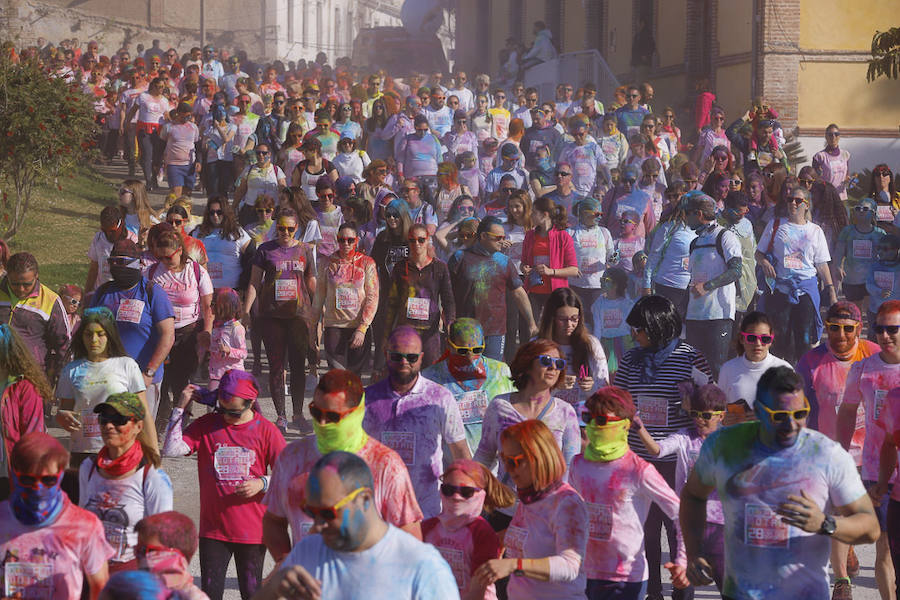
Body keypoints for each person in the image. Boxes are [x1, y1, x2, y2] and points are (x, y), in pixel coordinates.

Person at [681, 366, 880, 599]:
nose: (791, 424)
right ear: (758, 411)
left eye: (800, 414)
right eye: (780, 416)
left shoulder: (827, 454)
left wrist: (825, 523)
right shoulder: (724, 446)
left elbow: (870, 527)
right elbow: (693, 495)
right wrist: (694, 552)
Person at [262, 369, 423, 561]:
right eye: (315, 412)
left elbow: (410, 537)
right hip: (309, 588)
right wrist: (286, 562)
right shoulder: (292, 458)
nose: (321, 423)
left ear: (356, 414)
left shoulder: (385, 465)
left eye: (332, 417)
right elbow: (273, 521)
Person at [255, 451, 459, 600]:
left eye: (327, 513)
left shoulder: (422, 567)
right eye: (310, 512)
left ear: (365, 499)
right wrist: (273, 589)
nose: (316, 526)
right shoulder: (308, 550)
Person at [617, 294, 712, 600]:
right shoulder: (630, 359)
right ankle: (653, 592)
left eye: (640, 328)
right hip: (638, 461)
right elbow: (618, 400)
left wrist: (692, 403)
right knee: (645, 530)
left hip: (675, 460)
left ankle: (682, 593)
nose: (635, 334)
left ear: (658, 326)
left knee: (679, 531)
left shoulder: (690, 357)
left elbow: (710, 403)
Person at [162, 370, 286, 600]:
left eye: (235, 411)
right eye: (222, 408)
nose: (227, 416)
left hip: (252, 532)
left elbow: (288, 475)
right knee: (210, 594)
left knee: (252, 593)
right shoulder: (207, 425)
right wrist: (180, 406)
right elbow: (171, 449)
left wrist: (262, 483)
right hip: (214, 531)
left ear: (251, 403)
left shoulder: (266, 430)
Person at [572, 386, 687, 599]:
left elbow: (681, 513)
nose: (592, 426)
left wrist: (682, 560)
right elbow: (566, 512)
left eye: (602, 421)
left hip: (625, 579)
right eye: (588, 418)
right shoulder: (577, 465)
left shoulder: (638, 469)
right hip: (582, 573)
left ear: (625, 426)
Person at [363, 326, 471, 518]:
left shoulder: (440, 398)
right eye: (397, 356)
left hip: (427, 512)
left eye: (411, 357)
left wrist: (469, 501)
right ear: (387, 356)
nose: (404, 362)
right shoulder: (367, 399)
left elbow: (460, 452)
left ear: (421, 358)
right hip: (378, 514)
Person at [473, 419, 587, 599]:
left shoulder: (566, 502)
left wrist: (514, 566)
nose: (509, 470)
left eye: (515, 461)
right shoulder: (529, 498)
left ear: (538, 457)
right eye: (504, 460)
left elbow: (570, 566)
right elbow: (529, 536)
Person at [835, 300, 900, 599]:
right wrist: (841, 453)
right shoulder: (863, 368)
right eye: (880, 329)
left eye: (893, 329)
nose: (885, 336)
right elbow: (848, 412)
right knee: (885, 548)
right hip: (878, 471)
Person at [0, 432, 113, 600]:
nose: (38, 489)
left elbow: (100, 586)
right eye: (28, 480)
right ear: (14, 474)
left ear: (60, 474)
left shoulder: (85, 526)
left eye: (48, 480)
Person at [78, 392, 172, 572]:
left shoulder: (152, 477)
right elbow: (82, 522)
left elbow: (162, 540)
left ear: (138, 426)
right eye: (104, 419)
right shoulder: (88, 468)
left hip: (130, 575)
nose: (109, 426)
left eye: (119, 419)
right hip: (91, 572)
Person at [243, 207, 316, 433]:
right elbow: (254, 282)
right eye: (281, 228)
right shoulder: (265, 250)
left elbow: (312, 282)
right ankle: (281, 416)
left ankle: (297, 414)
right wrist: (246, 311)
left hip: (298, 315)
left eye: (290, 229)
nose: (285, 233)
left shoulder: (304, 250)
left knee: (297, 366)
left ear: (297, 229)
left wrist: (317, 314)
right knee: (276, 367)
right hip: (271, 315)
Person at [90, 240, 174, 421]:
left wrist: (149, 372)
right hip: (108, 378)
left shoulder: (153, 292)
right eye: (113, 262)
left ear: (136, 264)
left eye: (122, 263)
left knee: (140, 434)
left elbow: (168, 335)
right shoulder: (103, 292)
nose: (116, 267)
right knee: (110, 431)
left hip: (142, 380)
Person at [756, 186, 837, 364]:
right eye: (790, 199)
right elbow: (759, 253)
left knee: (804, 338)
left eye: (798, 200)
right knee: (779, 337)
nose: (793, 203)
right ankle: (778, 376)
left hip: (806, 290)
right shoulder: (776, 224)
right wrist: (765, 263)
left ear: (806, 205)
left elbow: (822, 264)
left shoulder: (815, 231)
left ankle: (802, 378)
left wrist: (830, 288)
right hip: (780, 289)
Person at [449, 216, 537, 361]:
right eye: (498, 237)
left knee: (492, 373)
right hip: (465, 329)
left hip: (495, 330)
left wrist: (532, 323)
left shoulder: (503, 261)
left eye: (503, 237)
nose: (502, 241)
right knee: (465, 371)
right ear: (483, 236)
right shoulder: (460, 257)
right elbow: (447, 292)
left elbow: (519, 293)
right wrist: (445, 318)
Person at [423, 459, 514, 600]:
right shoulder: (427, 527)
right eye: (449, 490)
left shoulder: (482, 533)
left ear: (481, 494)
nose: (456, 497)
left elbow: (477, 590)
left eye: (466, 492)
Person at [422, 318, 515, 455]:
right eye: (462, 351)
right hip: (450, 467)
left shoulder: (501, 373)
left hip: (494, 468)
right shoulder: (431, 377)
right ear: (449, 344)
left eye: (477, 350)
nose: (471, 358)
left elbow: (516, 417)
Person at [680, 192, 743, 378]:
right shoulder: (694, 242)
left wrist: (707, 286)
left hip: (718, 315)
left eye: (688, 214)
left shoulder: (725, 236)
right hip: (694, 314)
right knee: (693, 370)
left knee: (716, 368)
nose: (685, 219)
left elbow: (736, 271)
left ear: (698, 214)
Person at [383, 224, 455, 367]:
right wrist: (386, 335)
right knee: (406, 372)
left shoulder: (440, 267)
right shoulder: (399, 268)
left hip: (430, 332)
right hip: (405, 331)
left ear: (428, 240)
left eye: (421, 240)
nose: (417, 244)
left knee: (430, 373)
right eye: (412, 240)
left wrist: (450, 324)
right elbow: (391, 303)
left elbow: (448, 300)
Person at [313, 223, 379, 373]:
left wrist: (362, 328)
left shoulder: (367, 263)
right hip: (334, 327)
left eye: (350, 240)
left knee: (355, 381)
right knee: (337, 378)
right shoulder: (327, 263)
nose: (346, 244)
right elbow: (318, 298)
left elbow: (372, 297)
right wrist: (312, 330)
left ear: (356, 240)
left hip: (359, 328)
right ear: (337, 240)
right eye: (342, 240)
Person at [0, 252, 70, 377]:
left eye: (27, 284)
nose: (21, 289)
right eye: (15, 284)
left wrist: (61, 378)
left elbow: (63, 344)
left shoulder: (50, 300)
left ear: (36, 276)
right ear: (7, 276)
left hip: (33, 377)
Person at [716, 311, 792, 424]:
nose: (758, 343)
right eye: (751, 338)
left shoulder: (784, 370)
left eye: (765, 339)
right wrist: (723, 421)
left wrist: (769, 417)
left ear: (771, 340)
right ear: (742, 339)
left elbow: (795, 415)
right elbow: (717, 414)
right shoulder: (728, 369)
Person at [537, 287, 608, 406]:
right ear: (552, 317)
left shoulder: (591, 344)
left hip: (582, 414)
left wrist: (591, 387)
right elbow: (528, 391)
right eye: (562, 319)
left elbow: (605, 388)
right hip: (548, 413)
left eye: (574, 319)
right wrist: (555, 386)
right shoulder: (537, 345)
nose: (569, 324)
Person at [520, 196, 579, 320]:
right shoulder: (529, 235)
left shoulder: (563, 236)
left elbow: (573, 270)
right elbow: (524, 262)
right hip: (533, 290)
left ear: (545, 214)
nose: (531, 215)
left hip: (556, 292)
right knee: (529, 329)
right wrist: (524, 268)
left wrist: (551, 271)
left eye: (534, 212)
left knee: (554, 330)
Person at [567, 198, 614, 328]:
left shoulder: (604, 232)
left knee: (596, 322)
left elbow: (612, 257)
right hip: (575, 285)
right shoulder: (570, 232)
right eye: (596, 214)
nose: (599, 218)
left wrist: (616, 256)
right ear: (583, 213)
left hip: (597, 286)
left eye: (601, 215)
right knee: (577, 321)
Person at [834, 197, 884, 315]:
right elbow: (839, 251)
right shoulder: (847, 231)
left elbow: (886, 255)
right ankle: (856, 331)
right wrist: (837, 266)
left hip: (872, 279)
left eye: (865, 209)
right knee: (855, 311)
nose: (861, 211)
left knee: (870, 311)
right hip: (852, 278)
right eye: (858, 208)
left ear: (873, 213)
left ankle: (871, 332)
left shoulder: (879, 234)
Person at [192, 197, 253, 291]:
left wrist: (244, 282)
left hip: (232, 288)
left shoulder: (237, 232)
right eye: (212, 213)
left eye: (219, 212)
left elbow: (252, 256)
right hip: (205, 289)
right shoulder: (198, 232)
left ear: (225, 213)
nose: (215, 216)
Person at [85, 206, 139, 296]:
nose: (108, 234)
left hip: (122, 294)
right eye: (104, 230)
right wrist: (87, 295)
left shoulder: (132, 240)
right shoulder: (99, 238)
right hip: (101, 292)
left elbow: (136, 274)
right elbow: (93, 268)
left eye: (112, 231)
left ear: (120, 225)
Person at [159, 102, 200, 197]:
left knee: (187, 193)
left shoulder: (194, 127)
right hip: (173, 164)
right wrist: (159, 162)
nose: (187, 119)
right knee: (176, 192)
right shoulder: (168, 127)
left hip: (190, 165)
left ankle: (185, 211)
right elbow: (160, 146)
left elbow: (197, 146)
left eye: (189, 116)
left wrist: (199, 161)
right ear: (178, 113)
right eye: (185, 116)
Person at [812, 124, 850, 200]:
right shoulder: (819, 156)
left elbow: (846, 175)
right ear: (826, 137)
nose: (833, 137)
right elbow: (815, 180)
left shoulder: (845, 154)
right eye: (830, 134)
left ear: (839, 136)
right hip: (826, 198)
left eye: (836, 134)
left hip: (841, 197)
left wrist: (848, 180)